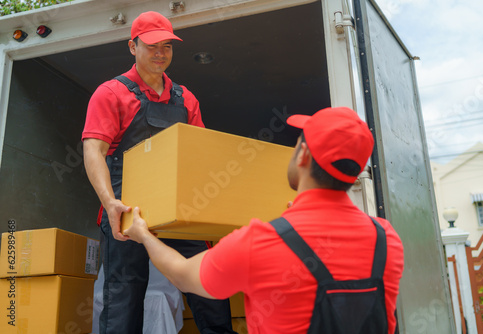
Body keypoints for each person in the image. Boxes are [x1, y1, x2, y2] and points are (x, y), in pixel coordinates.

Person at [124, 107, 405, 333]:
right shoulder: (387, 239)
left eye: (297, 143)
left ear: (303, 155)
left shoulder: (261, 241)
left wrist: (144, 235)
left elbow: (182, 274)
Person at [82, 11, 236, 334]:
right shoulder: (111, 94)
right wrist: (110, 203)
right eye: (151, 45)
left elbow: (200, 153)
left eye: (166, 46)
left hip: (178, 210)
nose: (160, 53)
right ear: (132, 46)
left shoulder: (186, 99)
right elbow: (93, 151)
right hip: (126, 211)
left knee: (208, 284)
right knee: (123, 299)